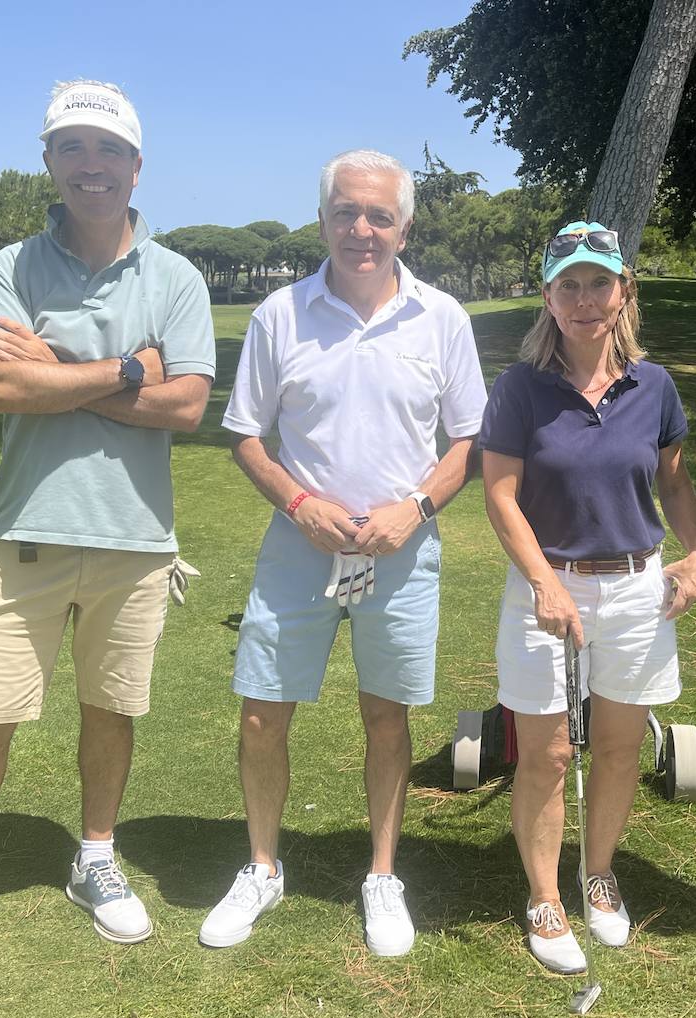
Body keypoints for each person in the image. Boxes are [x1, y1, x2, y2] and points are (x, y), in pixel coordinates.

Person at [0, 80, 215, 1006]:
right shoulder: (11, 266)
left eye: (106, 149)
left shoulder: (175, 277)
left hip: (136, 538)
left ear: (137, 166)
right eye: (72, 148)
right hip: (25, 530)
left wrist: (58, 367)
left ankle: (95, 857)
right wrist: (126, 368)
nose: (89, 165)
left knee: (111, 709)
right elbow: (3, 391)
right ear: (50, 163)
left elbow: (185, 406)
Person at [204, 149, 487, 958]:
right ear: (323, 216)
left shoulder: (443, 319)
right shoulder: (280, 314)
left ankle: (382, 873)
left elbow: (468, 438)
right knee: (263, 708)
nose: (361, 230)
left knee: (385, 713)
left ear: (404, 226)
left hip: (400, 547)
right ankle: (262, 865)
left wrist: (418, 506)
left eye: (379, 215)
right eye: (345, 212)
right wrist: (298, 501)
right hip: (301, 543)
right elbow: (246, 437)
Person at [480, 221, 696, 973]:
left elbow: (673, 480)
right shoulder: (520, 387)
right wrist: (546, 581)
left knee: (616, 748)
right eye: (568, 284)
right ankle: (545, 896)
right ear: (547, 296)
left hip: (639, 589)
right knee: (546, 753)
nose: (584, 299)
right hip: (544, 590)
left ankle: (599, 873)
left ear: (624, 291)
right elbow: (500, 495)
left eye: (598, 282)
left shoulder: (657, 386)